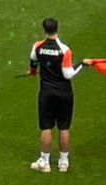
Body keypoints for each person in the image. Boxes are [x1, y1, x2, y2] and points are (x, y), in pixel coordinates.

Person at [27, 18, 80, 173]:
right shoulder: (64, 50)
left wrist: (32, 71)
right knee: (64, 127)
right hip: (64, 93)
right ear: (58, 28)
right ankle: (63, 162)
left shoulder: (38, 47)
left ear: (44, 30)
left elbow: (33, 60)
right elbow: (68, 73)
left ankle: (45, 161)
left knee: (46, 127)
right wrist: (82, 64)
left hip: (47, 93)